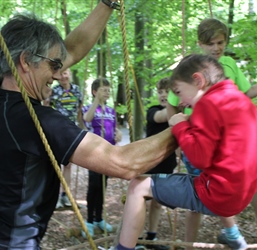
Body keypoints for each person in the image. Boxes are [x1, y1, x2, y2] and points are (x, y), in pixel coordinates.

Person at [0, 1, 177, 249]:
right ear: (26, 61)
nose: (58, 74)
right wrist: (187, 125)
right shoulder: (38, 120)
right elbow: (124, 163)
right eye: (53, 66)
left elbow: (69, 50)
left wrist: (105, 5)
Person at [116, 53, 257, 250]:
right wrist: (193, 124)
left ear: (198, 81)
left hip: (217, 194)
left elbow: (199, 159)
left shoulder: (207, 103)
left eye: (179, 92)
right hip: (242, 196)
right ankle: (233, 234)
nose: (181, 102)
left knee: (138, 186)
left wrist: (179, 126)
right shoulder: (242, 102)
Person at [166, 18, 257, 247]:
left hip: (235, 140)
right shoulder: (188, 70)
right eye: (210, 43)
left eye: (220, 42)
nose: (216, 48)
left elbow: (248, 92)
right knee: (198, 188)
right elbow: (173, 103)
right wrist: (178, 128)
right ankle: (187, 244)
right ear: (200, 44)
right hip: (200, 137)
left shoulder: (229, 66)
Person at [136, 77, 177, 250]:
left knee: (157, 202)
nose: (163, 95)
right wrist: (174, 104)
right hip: (150, 163)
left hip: (167, 163)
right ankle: (136, 239)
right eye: (160, 92)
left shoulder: (176, 112)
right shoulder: (153, 111)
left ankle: (151, 237)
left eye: (167, 91)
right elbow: (163, 117)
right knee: (141, 201)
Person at [81, 78, 122, 237]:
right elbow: (87, 119)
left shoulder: (111, 111)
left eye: (108, 89)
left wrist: (117, 134)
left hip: (108, 153)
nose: (107, 92)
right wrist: (96, 102)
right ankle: (89, 221)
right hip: (94, 153)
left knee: (103, 187)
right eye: (104, 89)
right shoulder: (89, 108)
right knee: (94, 186)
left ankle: (99, 218)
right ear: (95, 92)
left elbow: (115, 128)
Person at [50, 68, 84, 209]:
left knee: (68, 165)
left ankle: (65, 195)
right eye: (61, 73)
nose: (63, 76)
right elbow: (47, 108)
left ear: (69, 73)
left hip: (71, 130)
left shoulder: (76, 90)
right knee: (56, 165)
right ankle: (55, 197)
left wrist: (81, 129)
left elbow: (80, 111)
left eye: (66, 73)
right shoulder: (54, 91)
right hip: (56, 130)